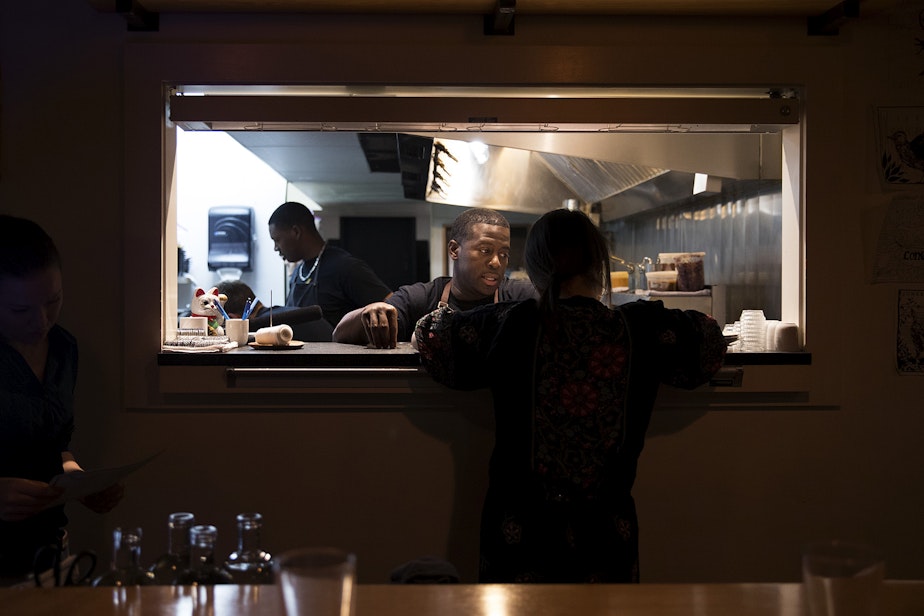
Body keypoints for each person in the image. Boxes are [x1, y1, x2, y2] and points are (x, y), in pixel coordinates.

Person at [413, 208, 727, 583]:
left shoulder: (511, 324)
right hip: (607, 530)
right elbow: (710, 340)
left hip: (520, 531)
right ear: (598, 263)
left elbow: (433, 334)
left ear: (534, 269)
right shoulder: (636, 327)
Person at [0, 215, 123, 583]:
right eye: (20, 310)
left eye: (53, 301)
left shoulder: (64, 349)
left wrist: (79, 481)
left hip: (51, 554)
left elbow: (55, 446)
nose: (41, 321)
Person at [333, 207, 538, 348]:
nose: (496, 262)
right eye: (485, 250)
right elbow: (339, 335)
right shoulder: (420, 297)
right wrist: (368, 313)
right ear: (454, 250)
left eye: (503, 254)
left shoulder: (520, 295)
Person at [267, 201, 392, 330]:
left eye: (277, 240)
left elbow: (392, 307)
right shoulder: (298, 273)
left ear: (296, 232)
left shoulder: (346, 267)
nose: (276, 248)